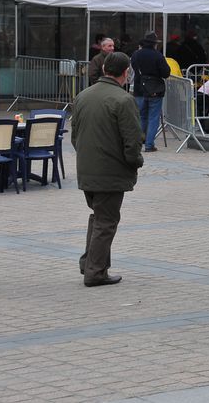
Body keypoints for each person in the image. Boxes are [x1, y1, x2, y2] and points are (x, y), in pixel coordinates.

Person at [71, 52, 144, 286]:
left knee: (99, 216)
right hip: (110, 171)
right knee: (106, 220)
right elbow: (132, 141)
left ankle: (90, 262)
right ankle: (95, 270)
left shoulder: (83, 96)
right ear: (125, 72)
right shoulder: (123, 100)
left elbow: (74, 136)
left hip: (87, 168)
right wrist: (135, 161)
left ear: (104, 69)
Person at [130, 31, 171, 152]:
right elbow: (166, 73)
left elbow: (134, 69)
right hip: (154, 89)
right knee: (153, 117)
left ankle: (138, 142)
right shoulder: (157, 56)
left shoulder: (136, 55)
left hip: (139, 88)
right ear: (154, 44)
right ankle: (149, 145)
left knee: (141, 116)